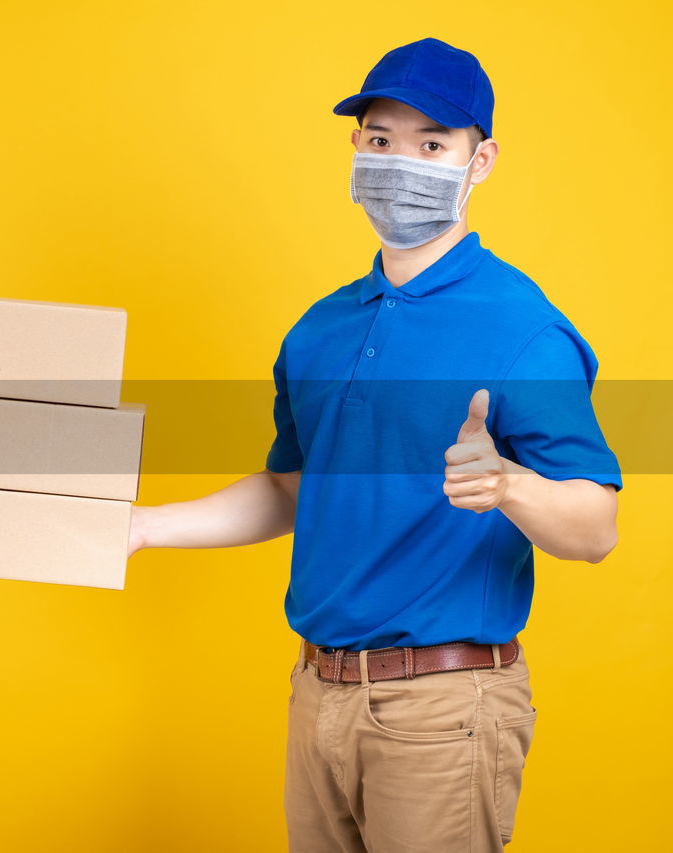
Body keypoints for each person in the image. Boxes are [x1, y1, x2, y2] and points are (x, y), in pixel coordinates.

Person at [127, 38, 621, 851]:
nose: (402, 161)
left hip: (443, 709)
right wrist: (145, 526)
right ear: (356, 147)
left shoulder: (523, 327)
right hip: (317, 695)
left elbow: (596, 529)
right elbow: (290, 489)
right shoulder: (320, 328)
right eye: (382, 139)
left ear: (480, 160)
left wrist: (509, 486)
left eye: (433, 144)